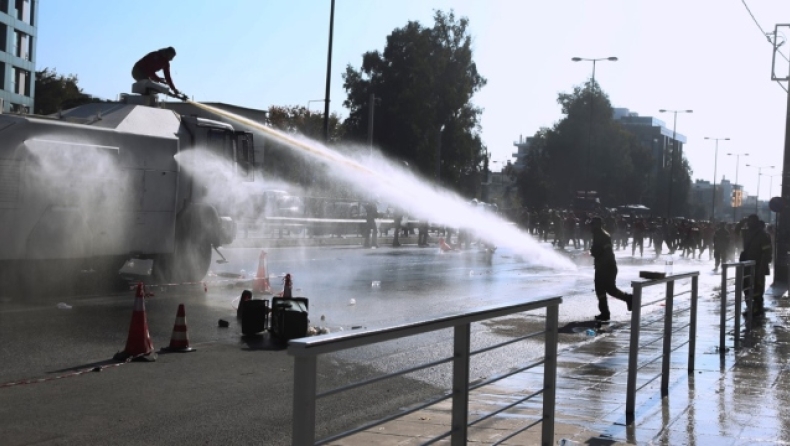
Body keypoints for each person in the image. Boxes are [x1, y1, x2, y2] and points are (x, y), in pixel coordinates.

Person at [589, 217, 633, 322]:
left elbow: (606, 251)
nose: (591, 226)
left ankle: (607, 311)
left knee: (606, 289)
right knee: (606, 289)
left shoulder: (602, 235)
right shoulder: (598, 234)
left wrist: (596, 253)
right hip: (604, 267)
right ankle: (607, 311)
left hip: (606, 267)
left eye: (592, 224)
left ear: (597, 225)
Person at [739, 214, 772, 316]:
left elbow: (767, 253)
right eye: (749, 221)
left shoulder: (762, 235)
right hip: (746, 265)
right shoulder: (746, 233)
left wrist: (762, 268)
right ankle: (750, 306)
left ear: (757, 222)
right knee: (746, 286)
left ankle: (757, 307)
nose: (750, 223)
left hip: (758, 266)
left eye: (752, 221)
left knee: (757, 288)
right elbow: (736, 232)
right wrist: (741, 222)